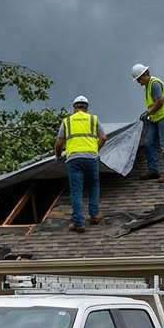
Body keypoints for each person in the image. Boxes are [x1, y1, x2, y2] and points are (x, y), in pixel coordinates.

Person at [54, 95, 109, 233]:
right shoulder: (93, 119)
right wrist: (95, 149)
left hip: (74, 159)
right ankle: (95, 215)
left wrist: (58, 155)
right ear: (87, 108)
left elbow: (59, 142)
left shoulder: (67, 121)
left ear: (74, 107)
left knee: (76, 191)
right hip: (91, 158)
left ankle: (79, 223)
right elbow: (103, 137)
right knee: (93, 185)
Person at [131, 63, 164, 183]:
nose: (138, 82)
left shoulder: (154, 84)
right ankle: (153, 170)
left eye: (138, 79)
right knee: (148, 142)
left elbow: (160, 102)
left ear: (144, 75)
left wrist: (148, 112)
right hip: (156, 117)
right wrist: (149, 113)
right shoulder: (147, 86)